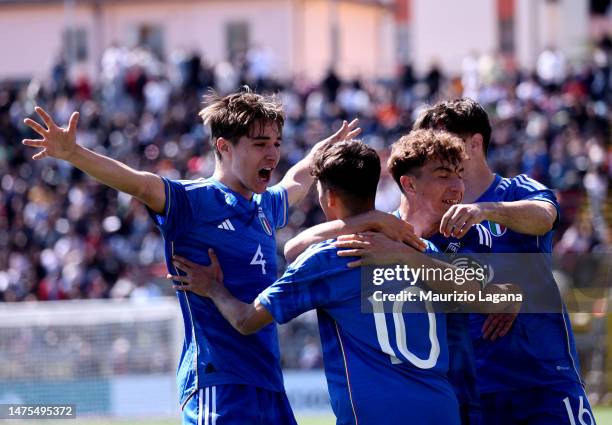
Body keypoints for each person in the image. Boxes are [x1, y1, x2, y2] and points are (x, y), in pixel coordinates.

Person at [21, 89, 418, 424]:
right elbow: (137, 183)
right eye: (261, 144)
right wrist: (74, 154)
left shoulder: (264, 207)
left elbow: (297, 180)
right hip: (218, 382)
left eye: (277, 144)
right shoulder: (193, 202)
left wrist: (316, 157)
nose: (272, 154)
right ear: (224, 147)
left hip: (268, 383)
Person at [169, 140, 462, 425]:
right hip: (442, 409)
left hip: (377, 414)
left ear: (328, 197)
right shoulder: (420, 248)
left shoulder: (331, 259)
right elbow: (489, 293)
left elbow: (246, 320)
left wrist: (212, 288)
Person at [410, 99, 595, 425]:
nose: (436, 152)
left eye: (445, 144)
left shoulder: (516, 190)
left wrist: (487, 210)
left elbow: (545, 216)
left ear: (475, 144)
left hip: (544, 378)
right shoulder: (434, 221)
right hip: (476, 389)